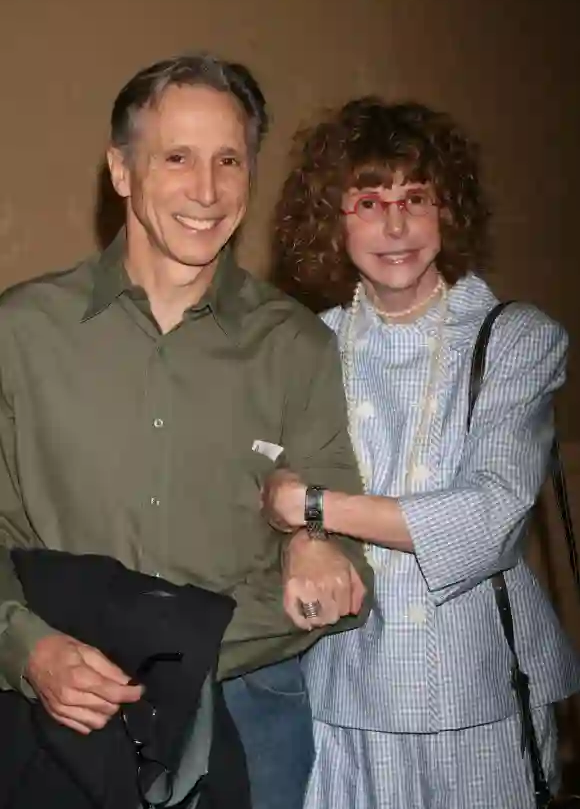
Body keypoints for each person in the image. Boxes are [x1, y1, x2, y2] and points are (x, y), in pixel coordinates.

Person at [0, 54, 372, 809]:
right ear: (122, 170)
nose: (207, 192)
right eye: (177, 157)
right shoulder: (19, 334)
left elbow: (341, 548)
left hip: (250, 714)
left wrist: (313, 546)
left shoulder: (298, 347)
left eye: (229, 160)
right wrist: (25, 644)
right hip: (55, 709)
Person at [267, 97, 580, 808]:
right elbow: (251, 475)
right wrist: (297, 537)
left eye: (417, 197)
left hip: (476, 690)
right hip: (342, 685)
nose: (397, 224)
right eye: (369, 201)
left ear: (450, 210)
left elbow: (488, 519)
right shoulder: (302, 345)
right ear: (332, 218)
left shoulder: (516, 339)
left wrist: (313, 506)